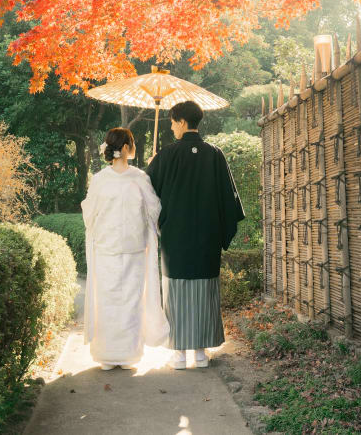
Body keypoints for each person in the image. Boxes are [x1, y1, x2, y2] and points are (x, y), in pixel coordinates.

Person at [146, 100, 245, 369]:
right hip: (206, 236)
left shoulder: (166, 154)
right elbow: (229, 199)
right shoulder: (215, 154)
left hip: (175, 238)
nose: (171, 128)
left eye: (172, 122)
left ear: (180, 122)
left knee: (176, 291)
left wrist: (153, 165)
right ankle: (200, 352)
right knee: (204, 289)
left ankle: (178, 353)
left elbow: (147, 192)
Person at [81, 127, 169, 370]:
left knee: (108, 300)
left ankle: (108, 356)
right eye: (133, 142)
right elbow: (154, 211)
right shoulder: (140, 178)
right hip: (132, 247)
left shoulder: (100, 180)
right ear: (128, 147)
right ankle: (127, 355)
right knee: (130, 301)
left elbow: (89, 214)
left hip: (108, 248)